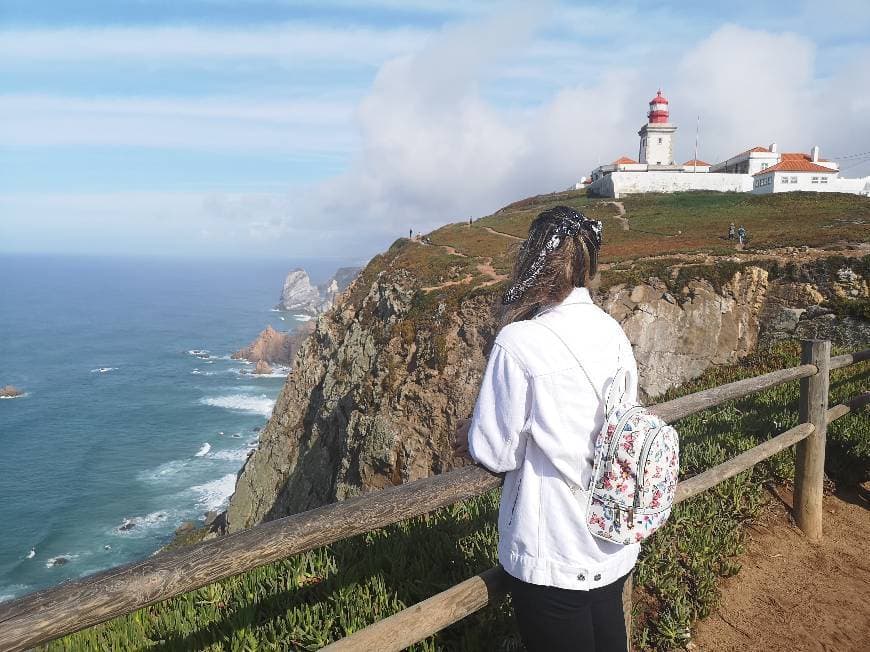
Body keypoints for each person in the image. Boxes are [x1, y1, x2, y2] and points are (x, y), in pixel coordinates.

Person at [454, 206, 638, 652]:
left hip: (554, 549)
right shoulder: (611, 330)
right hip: (611, 540)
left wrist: (467, 434)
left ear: (534, 261)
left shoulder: (520, 342)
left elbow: (497, 452)